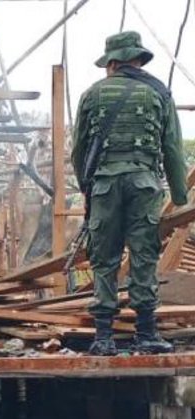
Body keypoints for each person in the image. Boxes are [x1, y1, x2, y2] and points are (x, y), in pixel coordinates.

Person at [73, 31, 189, 356]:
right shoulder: (159, 94)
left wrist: (87, 188)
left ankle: (104, 337)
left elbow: (79, 149)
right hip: (144, 186)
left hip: (104, 187)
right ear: (138, 58)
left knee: (104, 258)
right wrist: (180, 198)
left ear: (111, 63)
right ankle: (147, 333)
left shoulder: (92, 94)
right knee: (144, 255)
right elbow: (171, 150)